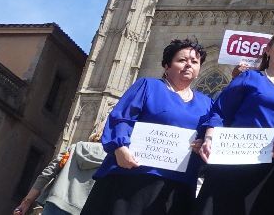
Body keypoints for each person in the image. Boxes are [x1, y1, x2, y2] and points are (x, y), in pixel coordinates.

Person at [80, 38, 214, 215]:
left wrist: (201, 144)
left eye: (195, 62)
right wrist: (120, 148)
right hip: (131, 176)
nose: (189, 65)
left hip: (175, 188)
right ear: (167, 66)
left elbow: (208, 139)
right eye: (181, 60)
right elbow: (122, 118)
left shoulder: (207, 104)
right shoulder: (148, 86)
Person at [195, 28, 274, 214]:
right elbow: (221, 110)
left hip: (271, 165)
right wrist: (210, 138)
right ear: (268, 50)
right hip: (233, 157)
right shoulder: (249, 78)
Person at [13, 133, 105, 215]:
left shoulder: (74, 148)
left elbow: (47, 174)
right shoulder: (113, 160)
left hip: (55, 204)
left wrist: (26, 202)